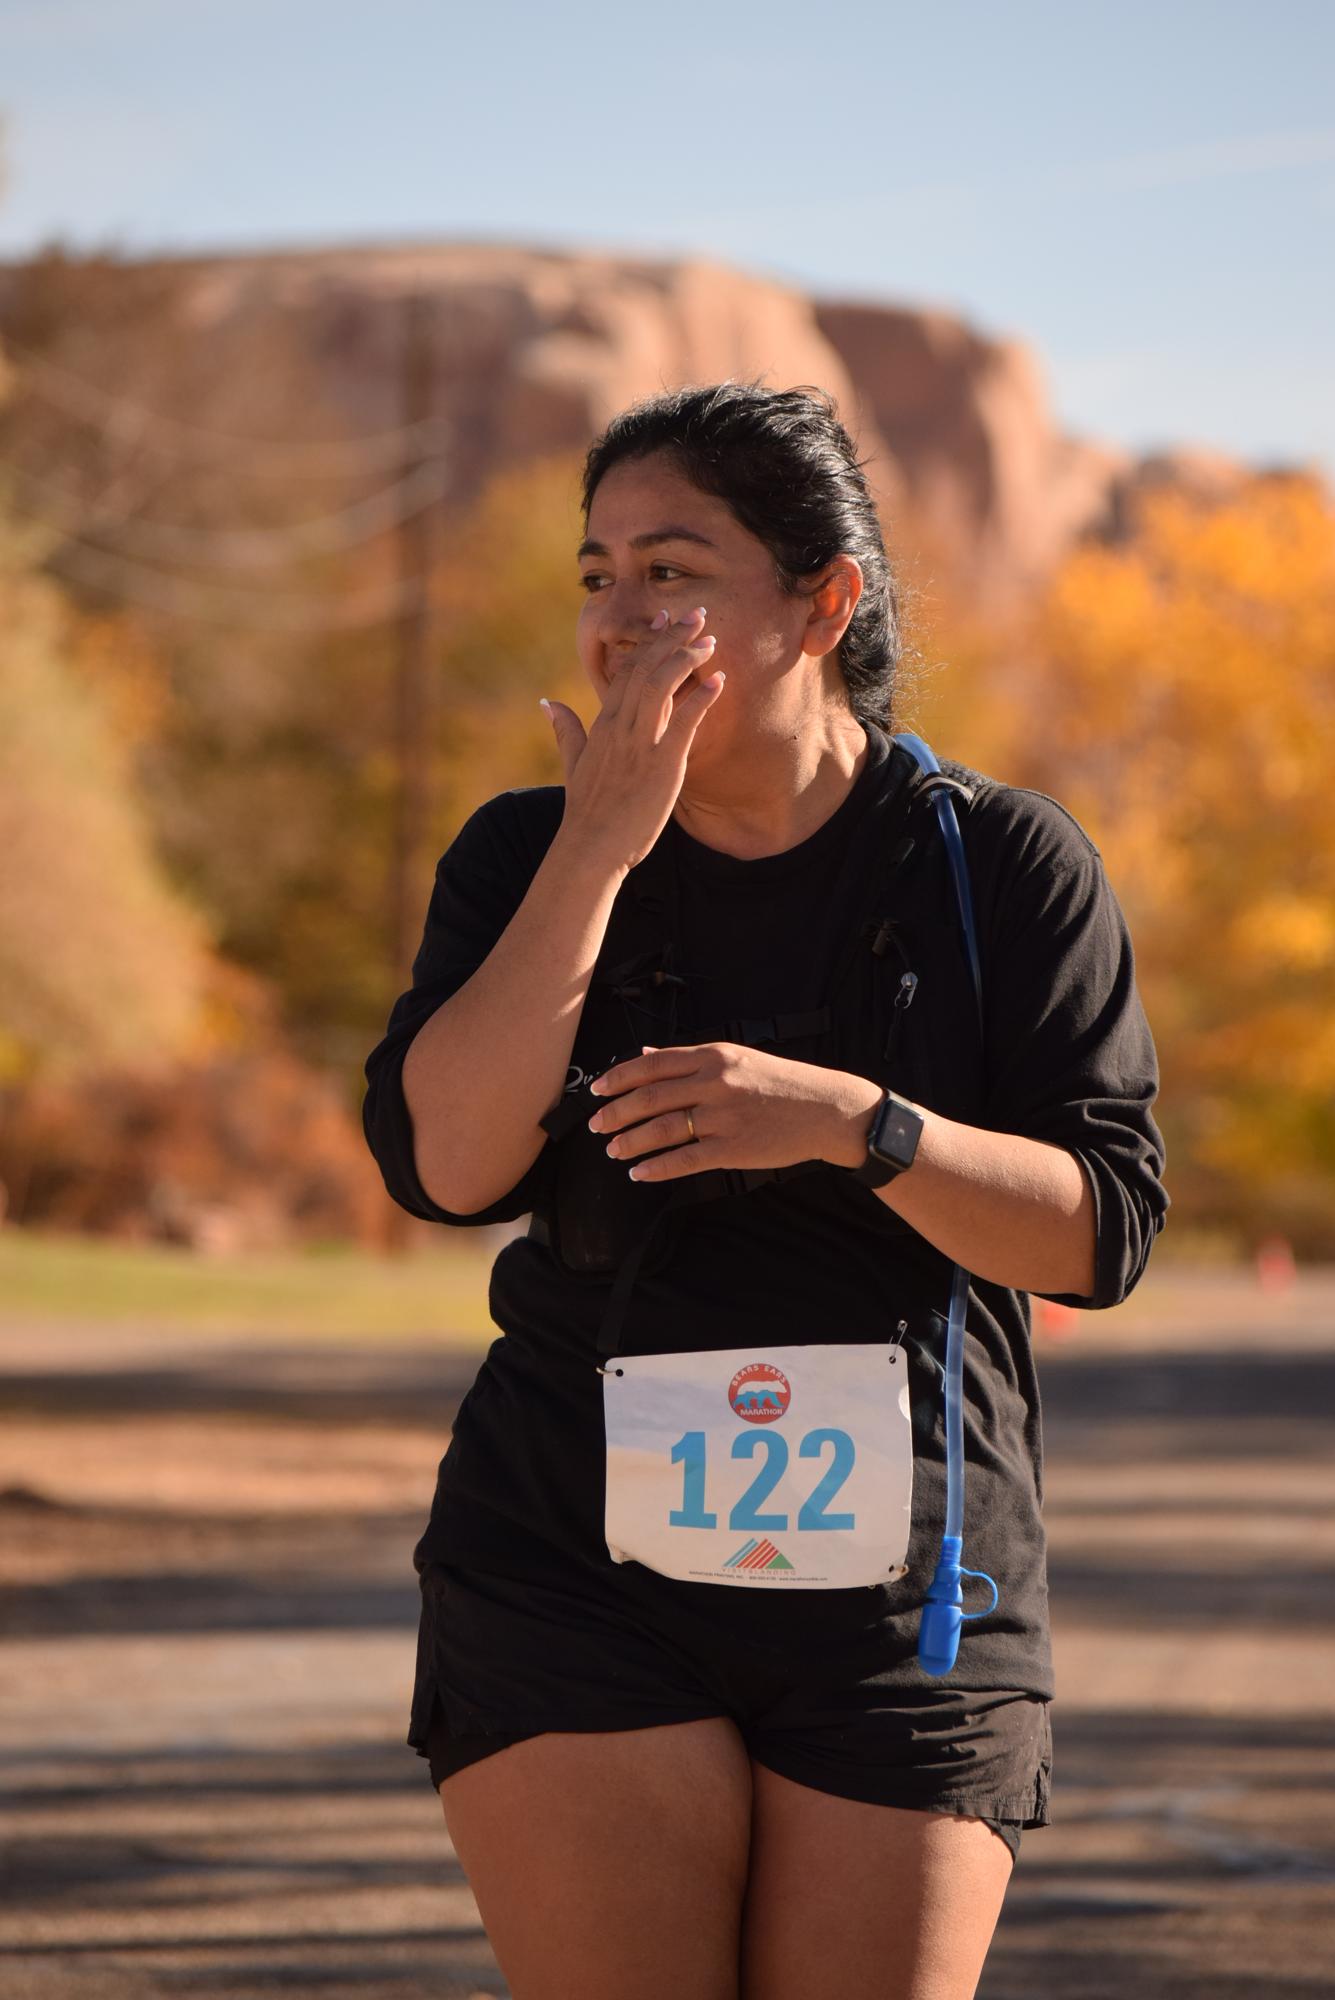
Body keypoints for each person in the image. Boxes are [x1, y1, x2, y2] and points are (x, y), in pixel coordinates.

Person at [362, 379, 1170, 1999]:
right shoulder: (525, 856)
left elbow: (1100, 1233)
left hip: (910, 1592)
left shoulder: (999, 864)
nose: (619, 617)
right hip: (568, 1563)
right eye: (597, 576)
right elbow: (446, 1166)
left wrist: (859, 1124)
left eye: (672, 571)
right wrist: (596, 849)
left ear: (823, 602)